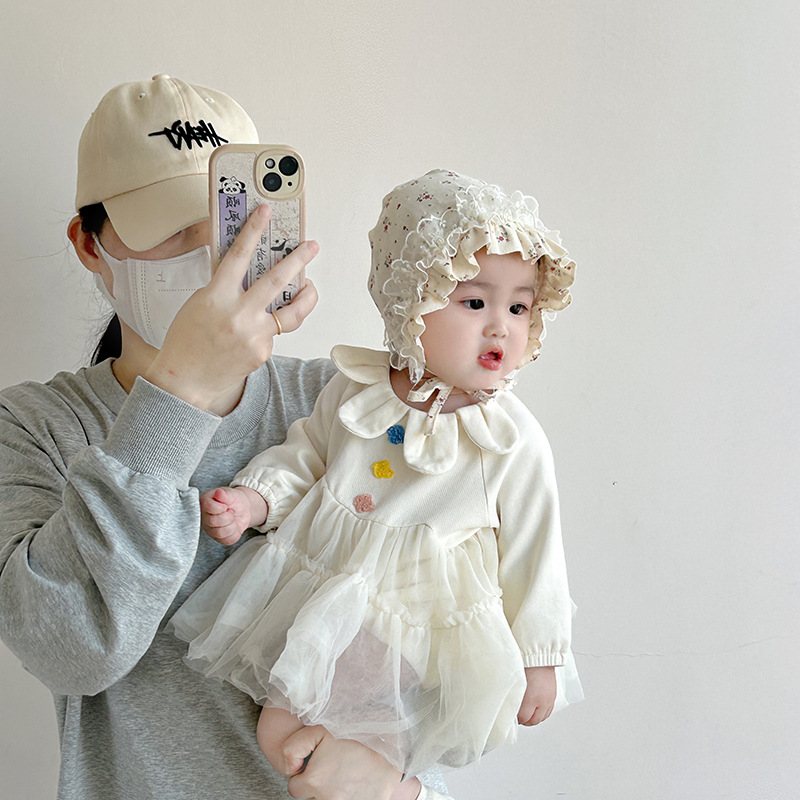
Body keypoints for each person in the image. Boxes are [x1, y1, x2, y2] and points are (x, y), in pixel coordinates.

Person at [0, 75, 452, 800]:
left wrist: (405, 789)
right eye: (173, 229)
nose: (213, 252)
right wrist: (180, 394)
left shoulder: (342, 405)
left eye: (229, 218)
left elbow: (442, 625)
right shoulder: (32, 429)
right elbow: (74, 652)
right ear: (89, 244)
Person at [168, 169, 584, 780]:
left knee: (369, 746)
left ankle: (390, 785)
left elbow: (535, 551)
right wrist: (256, 499)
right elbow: (308, 455)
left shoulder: (509, 439)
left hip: (416, 621)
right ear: (410, 302)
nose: (502, 325)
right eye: (474, 302)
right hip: (325, 592)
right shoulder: (357, 388)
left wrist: (540, 656)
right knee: (280, 733)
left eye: (519, 307)